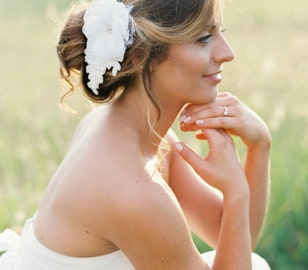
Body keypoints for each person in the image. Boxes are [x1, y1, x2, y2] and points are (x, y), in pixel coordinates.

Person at [0, 0, 272, 269]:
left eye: (221, 32)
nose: (228, 53)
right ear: (141, 56)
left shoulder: (131, 132)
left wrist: (259, 146)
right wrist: (235, 190)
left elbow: (233, 235)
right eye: (203, 38)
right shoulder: (133, 188)